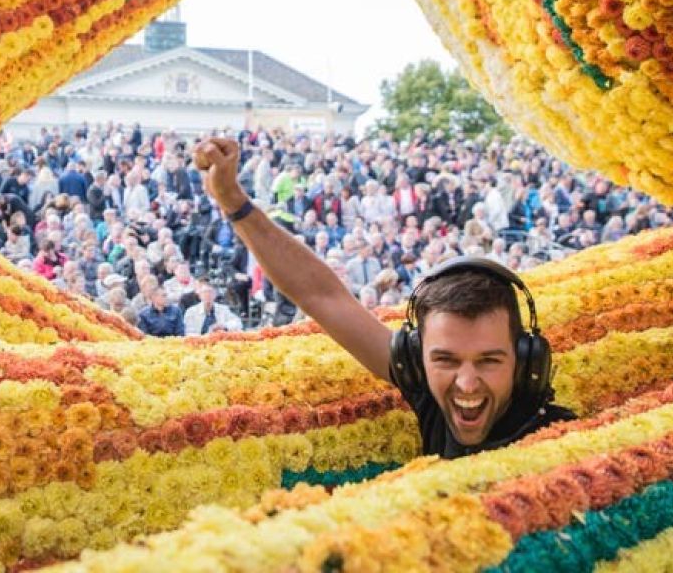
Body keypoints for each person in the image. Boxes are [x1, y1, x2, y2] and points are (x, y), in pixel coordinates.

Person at [194, 136, 574, 458]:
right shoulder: (422, 380)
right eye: (445, 359)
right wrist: (233, 202)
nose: (468, 384)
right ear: (416, 358)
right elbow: (321, 295)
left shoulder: (566, 441)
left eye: (490, 360)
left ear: (526, 362)